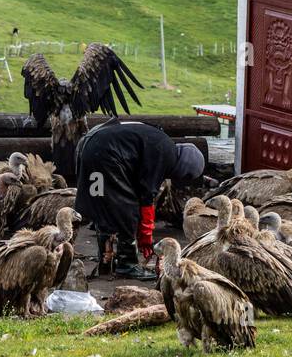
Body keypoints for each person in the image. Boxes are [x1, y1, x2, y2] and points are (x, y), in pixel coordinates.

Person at [74, 117, 206, 279]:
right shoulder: (166, 153)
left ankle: (106, 261)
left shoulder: (159, 140)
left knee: (103, 203)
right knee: (128, 209)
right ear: (184, 167)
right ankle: (127, 264)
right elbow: (146, 197)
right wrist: (145, 237)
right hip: (107, 152)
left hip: (90, 146)